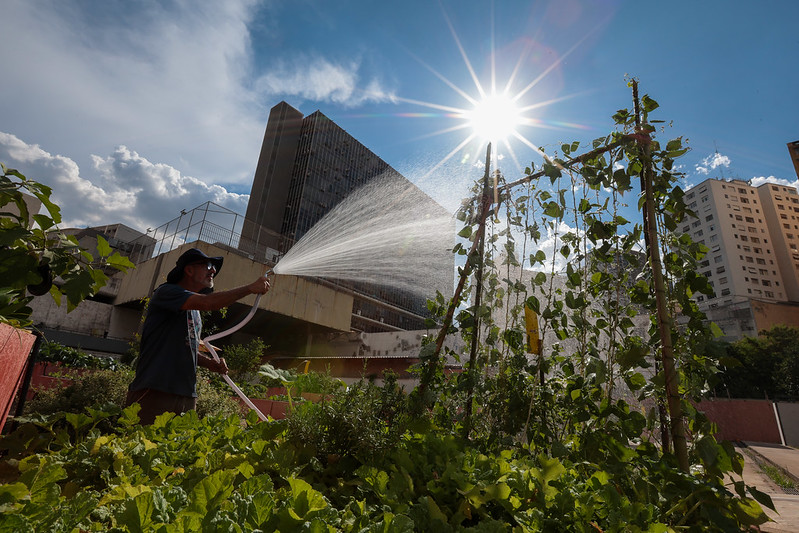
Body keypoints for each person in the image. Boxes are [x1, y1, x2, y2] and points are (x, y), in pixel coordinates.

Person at [126, 248, 270, 424]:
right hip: (155, 390)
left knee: (182, 449)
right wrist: (250, 288)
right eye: (207, 265)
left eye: (213, 267)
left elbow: (186, 347)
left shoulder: (194, 312)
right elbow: (207, 302)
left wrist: (210, 363)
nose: (213, 271)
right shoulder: (166, 293)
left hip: (186, 395)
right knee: (141, 446)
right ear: (189, 270)